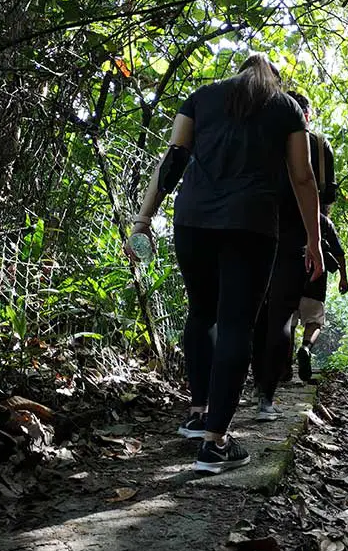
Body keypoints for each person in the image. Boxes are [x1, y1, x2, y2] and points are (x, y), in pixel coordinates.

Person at [126, 55, 323, 473]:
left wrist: (144, 218)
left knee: (201, 313)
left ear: (237, 72)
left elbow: (174, 158)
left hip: (193, 220)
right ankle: (215, 443)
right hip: (251, 224)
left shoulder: (202, 96)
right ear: (274, 79)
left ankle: (198, 415)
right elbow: (303, 178)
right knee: (236, 323)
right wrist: (314, 241)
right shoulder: (285, 106)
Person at [251, 91, 336, 418]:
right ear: (307, 115)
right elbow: (325, 192)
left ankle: (259, 382)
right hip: (299, 234)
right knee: (283, 314)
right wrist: (318, 237)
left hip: (259, 227)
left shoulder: (263, 135)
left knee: (258, 311)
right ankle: (267, 399)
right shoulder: (318, 144)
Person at [293, 211, 348, 382]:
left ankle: (283, 367)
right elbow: (339, 253)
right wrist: (343, 278)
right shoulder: (324, 222)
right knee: (315, 321)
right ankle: (306, 347)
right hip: (315, 278)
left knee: (287, 322)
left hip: (288, 277)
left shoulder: (288, 213)